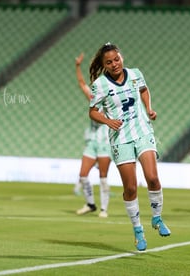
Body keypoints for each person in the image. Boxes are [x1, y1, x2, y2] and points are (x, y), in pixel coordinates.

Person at [88, 43, 170, 251]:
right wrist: (108, 121)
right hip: (120, 138)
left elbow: (143, 90)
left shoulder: (135, 74)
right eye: (109, 62)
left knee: (152, 177)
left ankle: (157, 218)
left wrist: (149, 109)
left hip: (143, 131)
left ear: (121, 57)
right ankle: (138, 231)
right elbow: (93, 111)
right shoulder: (100, 85)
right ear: (104, 65)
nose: (114, 64)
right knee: (131, 187)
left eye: (116, 59)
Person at [74, 53, 112, 218]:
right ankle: (90, 204)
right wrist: (77, 66)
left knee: (103, 177)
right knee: (83, 175)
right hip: (92, 142)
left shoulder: (112, 98)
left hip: (105, 142)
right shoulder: (93, 97)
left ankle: (104, 209)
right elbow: (82, 83)